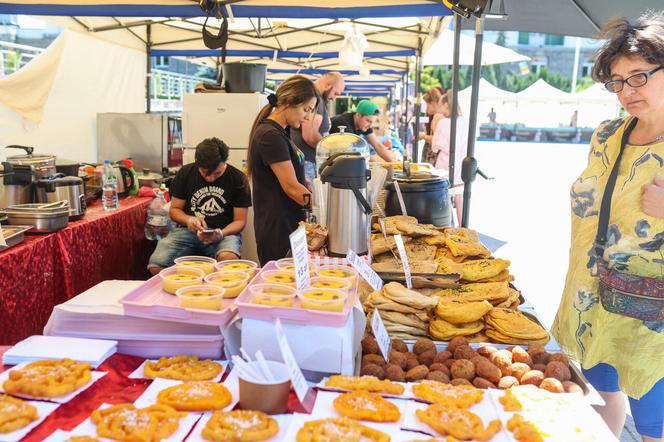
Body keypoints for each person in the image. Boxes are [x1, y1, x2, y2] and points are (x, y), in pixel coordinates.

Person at [551, 12, 664, 442]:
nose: (626, 92)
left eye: (639, 77)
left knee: (654, 424)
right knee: (600, 394)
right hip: (592, 296)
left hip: (651, 314)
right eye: (617, 81)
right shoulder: (607, 135)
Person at [148, 137, 251, 274]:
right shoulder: (185, 173)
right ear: (196, 162)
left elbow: (240, 221)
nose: (211, 178)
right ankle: (187, 289)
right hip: (187, 232)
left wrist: (220, 233)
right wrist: (188, 220)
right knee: (156, 265)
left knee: (228, 261)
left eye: (217, 173)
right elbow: (175, 210)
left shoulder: (238, 179)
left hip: (224, 233)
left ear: (225, 162)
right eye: (205, 173)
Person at [248, 75, 318, 265]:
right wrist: (324, 209)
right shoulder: (270, 135)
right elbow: (291, 188)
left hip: (289, 223)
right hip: (278, 228)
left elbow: (293, 178)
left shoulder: (281, 132)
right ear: (289, 102)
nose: (308, 117)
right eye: (306, 109)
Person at [291, 72, 345, 183]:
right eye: (335, 93)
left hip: (307, 161)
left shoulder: (316, 99)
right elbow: (309, 136)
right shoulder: (316, 100)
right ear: (328, 85)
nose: (334, 98)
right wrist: (332, 151)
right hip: (306, 162)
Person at [431, 90, 467, 224]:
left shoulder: (443, 123)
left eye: (442, 106)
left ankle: (446, 225)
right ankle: (463, 226)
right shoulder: (464, 121)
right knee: (459, 195)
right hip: (461, 163)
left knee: (444, 194)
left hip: (444, 164)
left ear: (446, 105)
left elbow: (435, 146)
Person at [329, 99, 396, 162]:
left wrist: (392, 164)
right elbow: (354, 152)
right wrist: (377, 164)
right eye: (368, 121)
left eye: (372, 122)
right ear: (358, 115)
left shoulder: (363, 124)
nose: (370, 126)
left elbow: (377, 145)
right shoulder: (344, 125)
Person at [419, 86, 446, 163]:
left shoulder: (438, 117)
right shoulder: (440, 116)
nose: (426, 109)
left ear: (433, 103)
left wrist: (423, 136)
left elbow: (436, 140)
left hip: (434, 157)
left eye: (427, 105)